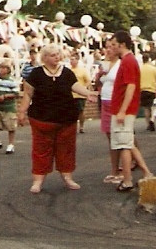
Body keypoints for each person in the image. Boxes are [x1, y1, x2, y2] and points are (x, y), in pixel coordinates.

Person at [17, 43, 96, 194]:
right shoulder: (36, 74)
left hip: (66, 119)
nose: (57, 57)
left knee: (66, 150)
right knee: (41, 150)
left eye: (58, 54)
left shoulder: (66, 72)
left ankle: (67, 177)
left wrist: (87, 93)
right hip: (41, 119)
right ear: (45, 58)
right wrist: (21, 112)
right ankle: (38, 181)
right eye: (53, 55)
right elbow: (28, 94)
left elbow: (75, 86)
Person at [109, 31, 153, 192]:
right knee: (128, 142)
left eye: (114, 44)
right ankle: (146, 172)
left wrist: (122, 110)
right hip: (123, 108)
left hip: (124, 110)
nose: (112, 48)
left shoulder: (128, 61)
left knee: (124, 145)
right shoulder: (128, 60)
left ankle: (127, 180)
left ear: (122, 44)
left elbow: (131, 86)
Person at [94, 37, 122, 184]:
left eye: (112, 46)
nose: (108, 49)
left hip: (115, 101)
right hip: (105, 99)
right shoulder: (105, 64)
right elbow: (98, 83)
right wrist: (99, 77)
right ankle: (114, 170)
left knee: (120, 137)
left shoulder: (120, 64)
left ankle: (129, 166)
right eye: (106, 47)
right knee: (110, 138)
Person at [0, 61, 20, 154]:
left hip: (9, 107)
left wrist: (5, 96)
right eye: (1, 68)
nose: (2, 70)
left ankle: (11, 144)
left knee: (10, 126)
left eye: (4, 68)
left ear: (8, 70)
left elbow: (16, 93)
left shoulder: (12, 81)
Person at [69, 50, 91, 134]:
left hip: (80, 95)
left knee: (80, 111)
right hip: (71, 94)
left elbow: (88, 80)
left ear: (77, 60)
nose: (72, 61)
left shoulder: (82, 70)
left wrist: (84, 87)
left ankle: (81, 126)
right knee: (71, 112)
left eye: (73, 59)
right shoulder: (69, 71)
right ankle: (72, 126)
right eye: (71, 59)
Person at [139, 52, 156, 132]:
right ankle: (152, 119)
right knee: (153, 107)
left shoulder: (140, 69)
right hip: (152, 89)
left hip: (143, 90)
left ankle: (148, 124)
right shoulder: (154, 69)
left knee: (146, 108)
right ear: (149, 59)